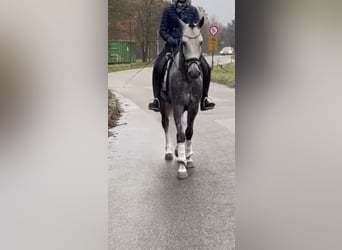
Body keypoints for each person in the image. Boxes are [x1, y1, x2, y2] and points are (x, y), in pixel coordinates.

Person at [148, 0, 215, 112]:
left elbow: (196, 29)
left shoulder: (193, 11)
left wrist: (191, 41)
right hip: (172, 45)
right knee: (158, 67)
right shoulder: (168, 10)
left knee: (206, 68)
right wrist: (171, 40)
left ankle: (204, 99)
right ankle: (157, 99)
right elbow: (163, 30)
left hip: (189, 47)